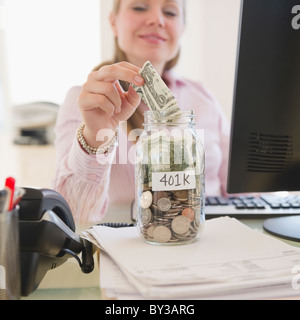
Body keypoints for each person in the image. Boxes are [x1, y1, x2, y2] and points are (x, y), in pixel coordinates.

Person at [52, 0, 230, 224]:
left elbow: (241, 192)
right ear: (114, 23)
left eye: (170, 12)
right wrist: (95, 137)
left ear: (183, 28)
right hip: (136, 242)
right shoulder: (87, 102)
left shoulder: (203, 98)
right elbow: (72, 214)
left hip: (208, 238)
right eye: (139, 7)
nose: (157, 19)